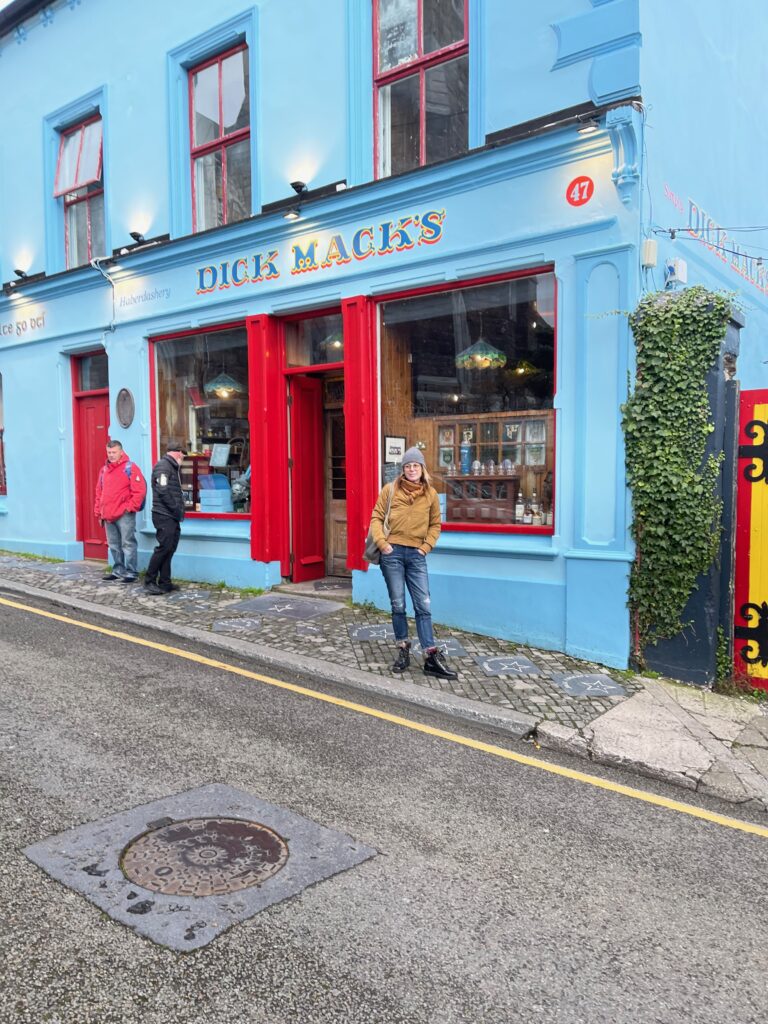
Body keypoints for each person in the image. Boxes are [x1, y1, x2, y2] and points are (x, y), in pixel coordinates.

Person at [369, 447, 458, 680]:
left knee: (423, 605)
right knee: (398, 604)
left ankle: (430, 657)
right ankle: (403, 650)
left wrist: (424, 548)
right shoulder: (389, 490)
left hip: (417, 556)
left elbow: (435, 526)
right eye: (408, 466)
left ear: (422, 469)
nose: (411, 469)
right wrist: (383, 544)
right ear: (403, 469)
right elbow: (376, 518)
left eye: (415, 465)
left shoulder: (431, 494)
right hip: (393, 554)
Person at [94, 439, 146, 584]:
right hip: (108, 514)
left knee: (127, 543)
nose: (111, 455)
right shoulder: (104, 470)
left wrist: (129, 508)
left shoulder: (130, 467)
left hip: (124, 514)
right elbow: (99, 492)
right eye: (109, 452)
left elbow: (139, 491)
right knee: (114, 544)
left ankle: (131, 572)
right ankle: (118, 570)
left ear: (121, 452)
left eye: (114, 452)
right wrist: (98, 512)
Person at [144, 442, 186, 595]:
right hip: (164, 515)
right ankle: (149, 581)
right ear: (178, 452)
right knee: (163, 548)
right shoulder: (163, 467)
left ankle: (165, 582)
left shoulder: (170, 467)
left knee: (169, 548)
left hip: (171, 515)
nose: (183, 457)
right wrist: (175, 508)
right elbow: (162, 490)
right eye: (183, 454)